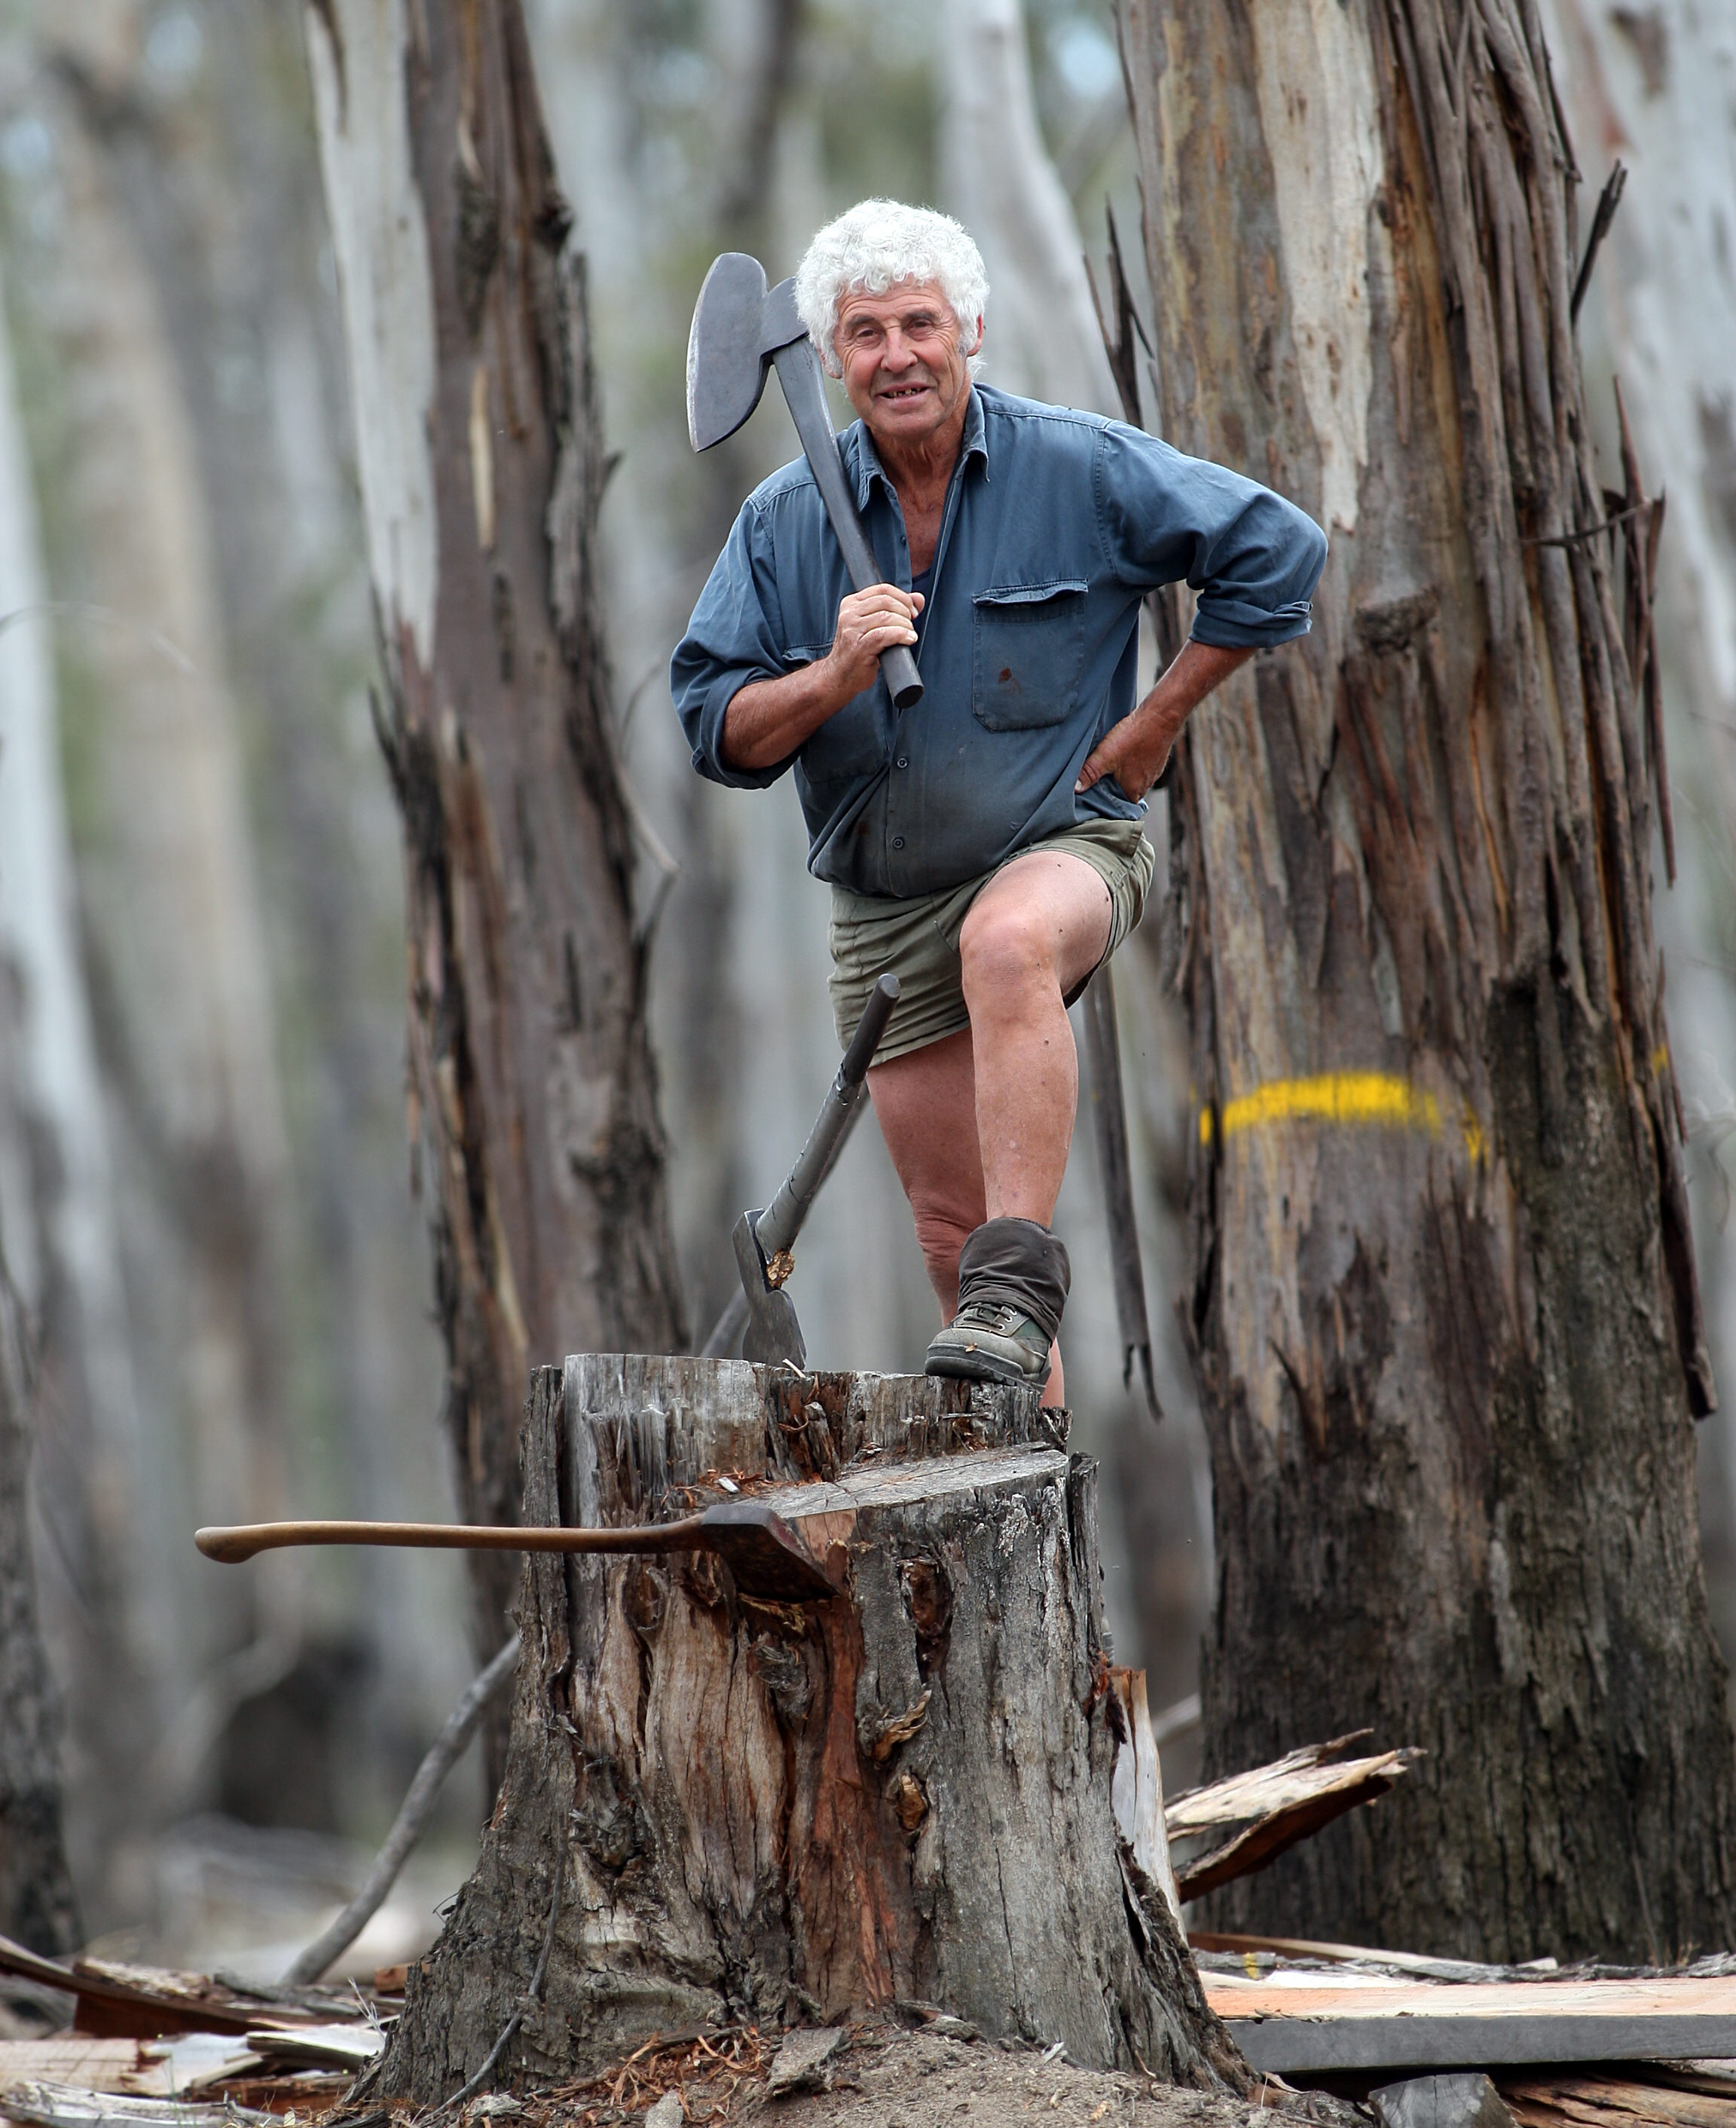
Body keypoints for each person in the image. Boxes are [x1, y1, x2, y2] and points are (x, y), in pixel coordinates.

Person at [672, 199, 1326, 1401]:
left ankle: (1022, 1285)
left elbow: (1278, 550)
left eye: (920, 323)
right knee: (950, 1255)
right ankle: (1023, 1496)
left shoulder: (1077, 465)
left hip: (1062, 848)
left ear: (970, 329)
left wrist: (1155, 719)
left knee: (1010, 943)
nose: (897, 355)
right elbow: (714, 726)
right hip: (884, 910)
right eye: (864, 333)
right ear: (827, 357)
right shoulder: (779, 524)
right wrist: (830, 673)